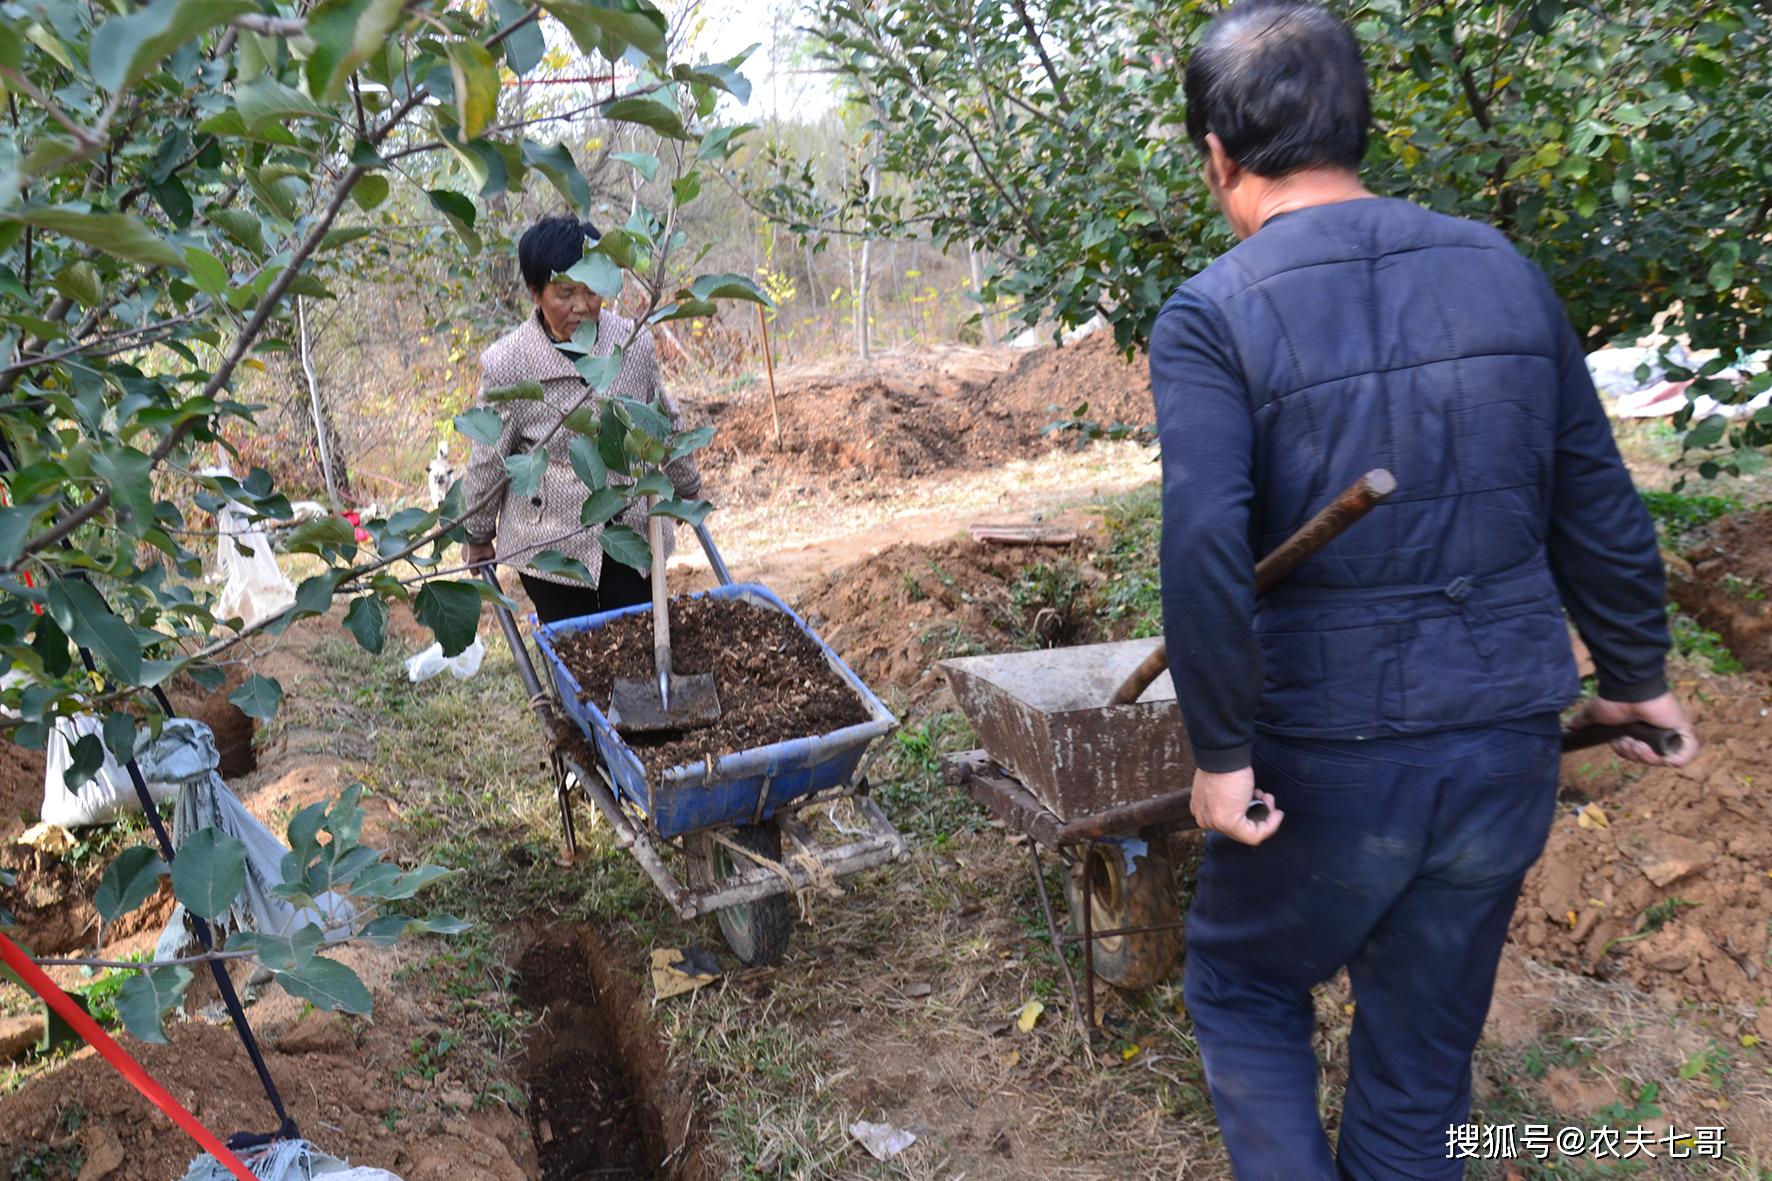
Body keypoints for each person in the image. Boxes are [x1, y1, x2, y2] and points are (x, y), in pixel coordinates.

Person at [1151, 4, 1699, 1178]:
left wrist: (1220, 758)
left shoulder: (1214, 313)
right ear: (1354, 126)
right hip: (1500, 745)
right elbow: (1594, 498)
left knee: (1245, 984)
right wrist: (1636, 680)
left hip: (1326, 760)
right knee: (1418, 1064)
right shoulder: (1497, 269)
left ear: (1217, 154)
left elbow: (1200, 545)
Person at [463, 214, 701, 623]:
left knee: (633, 637)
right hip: (550, 541)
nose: (581, 306)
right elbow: (489, 456)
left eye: (592, 291)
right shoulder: (509, 364)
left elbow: (664, 419)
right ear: (536, 293)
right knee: (575, 648)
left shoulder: (631, 343)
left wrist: (687, 484)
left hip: (628, 525)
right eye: (565, 293)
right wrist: (478, 533)